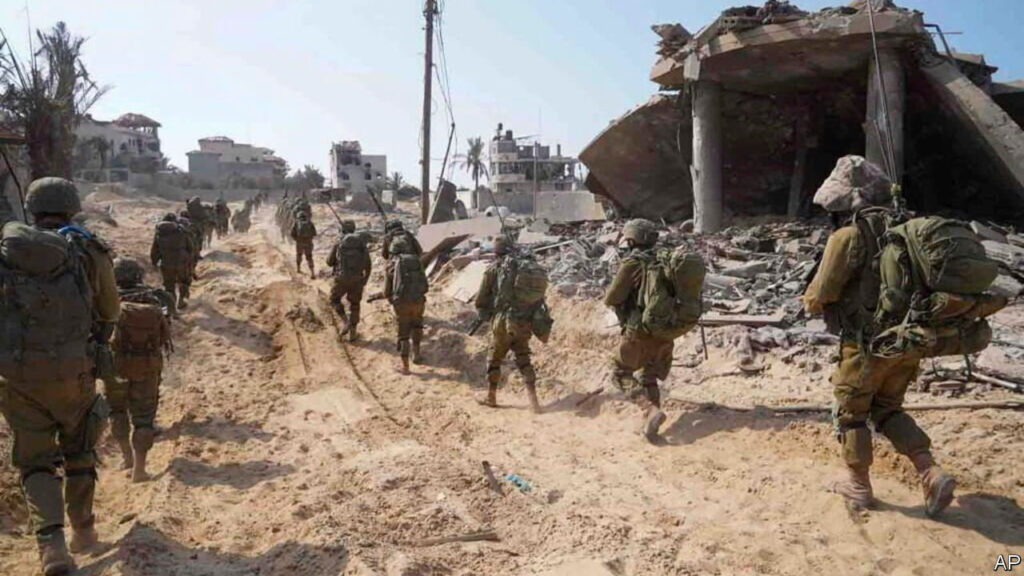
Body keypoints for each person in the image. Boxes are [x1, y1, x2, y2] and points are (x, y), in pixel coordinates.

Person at [803, 155, 956, 516]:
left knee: (851, 413)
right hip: (909, 341)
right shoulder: (908, 230)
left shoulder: (848, 236)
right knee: (887, 409)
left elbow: (820, 294)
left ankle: (858, 485)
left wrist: (810, 300)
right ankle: (930, 472)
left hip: (865, 345)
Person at [0, 177, 120, 574]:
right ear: (72, 208)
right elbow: (110, 311)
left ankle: (51, 546)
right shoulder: (86, 249)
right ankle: (83, 530)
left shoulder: (8, 252)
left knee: (35, 463)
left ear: (32, 209)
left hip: (17, 376)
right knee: (79, 448)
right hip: (74, 372)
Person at [603, 218, 671, 441]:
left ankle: (649, 410)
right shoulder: (666, 261)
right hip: (666, 331)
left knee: (620, 373)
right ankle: (651, 428)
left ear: (631, 241)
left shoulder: (633, 262)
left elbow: (612, 298)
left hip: (639, 331)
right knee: (648, 376)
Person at [110, 258, 173, 483]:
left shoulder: (106, 300)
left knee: (117, 412)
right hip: (147, 367)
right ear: (139, 275)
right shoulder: (156, 298)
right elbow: (165, 335)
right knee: (144, 419)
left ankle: (126, 457)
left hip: (115, 367)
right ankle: (139, 470)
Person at [475, 236, 548, 413]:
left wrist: (486, 315)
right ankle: (534, 402)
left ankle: (491, 396)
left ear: (496, 251)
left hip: (503, 321)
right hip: (524, 320)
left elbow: (481, 298)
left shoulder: (495, 269)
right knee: (523, 357)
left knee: (495, 357)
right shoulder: (524, 267)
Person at [384, 232, 428, 373]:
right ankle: (417, 354)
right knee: (417, 325)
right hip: (418, 301)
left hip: (402, 303)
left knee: (403, 333)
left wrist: (393, 301)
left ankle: (405, 367)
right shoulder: (417, 261)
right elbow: (425, 285)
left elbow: (387, 292)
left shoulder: (391, 266)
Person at [326, 219, 371, 341]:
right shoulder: (361, 244)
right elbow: (368, 264)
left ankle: (345, 321)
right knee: (355, 304)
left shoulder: (339, 243)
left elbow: (329, 262)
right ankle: (353, 332)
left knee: (334, 299)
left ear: (342, 230)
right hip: (357, 279)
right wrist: (365, 279)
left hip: (341, 279)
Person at [150, 213, 195, 310]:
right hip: (182, 263)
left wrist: (154, 263)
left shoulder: (159, 233)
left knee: (169, 285)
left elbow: (154, 251)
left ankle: (171, 306)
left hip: (166, 264)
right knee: (184, 282)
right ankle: (181, 301)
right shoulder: (182, 231)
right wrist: (190, 261)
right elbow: (191, 248)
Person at [289, 211, 317, 276]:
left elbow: (292, 234)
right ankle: (312, 272)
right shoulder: (310, 223)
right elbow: (314, 233)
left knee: (299, 255)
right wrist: (309, 239)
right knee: (309, 256)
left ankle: (298, 268)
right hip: (308, 242)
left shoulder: (296, 223)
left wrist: (296, 239)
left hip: (299, 242)